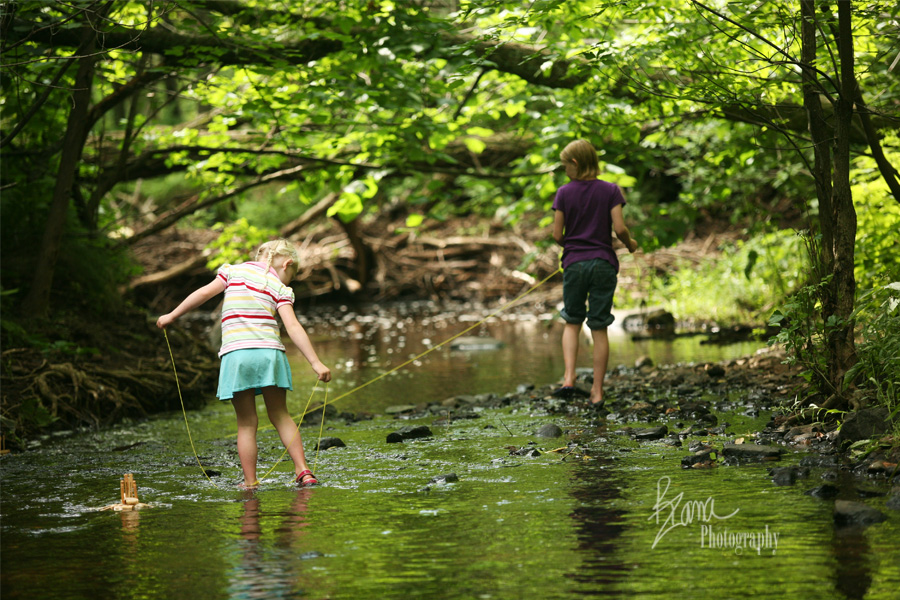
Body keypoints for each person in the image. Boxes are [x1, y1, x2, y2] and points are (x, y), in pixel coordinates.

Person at [157, 238, 331, 490]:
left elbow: (204, 293)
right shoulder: (280, 288)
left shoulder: (232, 272)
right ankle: (303, 470)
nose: (288, 281)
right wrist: (315, 362)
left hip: (236, 356)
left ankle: (250, 482)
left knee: (247, 423)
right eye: (291, 275)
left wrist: (172, 315)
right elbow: (293, 326)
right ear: (288, 263)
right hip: (269, 354)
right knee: (281, 415)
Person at [552, 139, 639, 406]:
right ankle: (597, 392)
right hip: (603, 264)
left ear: (575, 164)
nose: (564, 169)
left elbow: (557, 235)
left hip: (575, 264)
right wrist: (630, 244)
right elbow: (620, 229)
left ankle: (569, 378)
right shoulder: (611, 190)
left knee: (572, 321)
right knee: (599, 326)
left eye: (565, 164)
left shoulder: (564, 193)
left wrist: (574, 247)